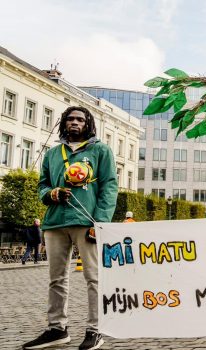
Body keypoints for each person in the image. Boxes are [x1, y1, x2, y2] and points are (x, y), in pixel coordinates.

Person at [23, 106, 118, 350]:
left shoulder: (100, 150)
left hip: (86, 222)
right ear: (64, 123)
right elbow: (42, 185)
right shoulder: (53, 153)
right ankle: (57, 329)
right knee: (56, 279)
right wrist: (51, 193)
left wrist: (101, 222)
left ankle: (96, 329)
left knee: (94, 278)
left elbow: (109, 186)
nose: (75, 122)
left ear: (88, 124)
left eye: (80, 119)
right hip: (55, 222)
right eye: (70, 119)